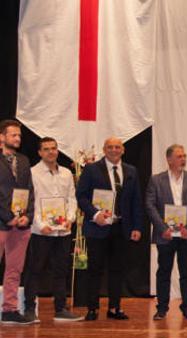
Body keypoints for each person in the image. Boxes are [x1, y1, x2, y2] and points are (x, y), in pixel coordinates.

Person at [75, 136, 143, 321]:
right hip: (98, 227)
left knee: (117, 269)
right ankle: (92, 308)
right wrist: (95, 215)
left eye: (118, 147)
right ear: (104, 150)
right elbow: (81, 197)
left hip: (121, 227)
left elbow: (136, 201)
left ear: (123, 150)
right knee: (95, 269)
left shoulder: (131, 171)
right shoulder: (91, 169)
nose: (114, 150)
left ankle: (114, 307)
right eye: (110, 147)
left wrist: (137, 226)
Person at [24, 136, 82, 322]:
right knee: (35, 270)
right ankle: (30, 309)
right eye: (46, 149)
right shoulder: (32, 173)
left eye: (54, 148)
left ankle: (60, 309)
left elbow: (72, 199)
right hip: (41, 231)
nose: (51, 152)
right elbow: (30, 202)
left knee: (61, 270)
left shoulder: (65, 173)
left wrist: (70, 219)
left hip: (63, 231)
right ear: (40, 152)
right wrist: (41, 224)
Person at [144, 144, 187, 321]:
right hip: (166, 235)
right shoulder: (156, 180)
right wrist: (163, 229)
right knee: (164, 271)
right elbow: (150, 205)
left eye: (184, 156)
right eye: (179, 156)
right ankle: (162, 308)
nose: (183, 159)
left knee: (186, 272)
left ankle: (186, 307)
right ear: (169, 159)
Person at [0, 120, 35, 324]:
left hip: (21, 225)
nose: (18, 138)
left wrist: (27, 216)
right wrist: (7, 216)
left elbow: (30, 191)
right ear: (2, 137)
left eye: (19, 135)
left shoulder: (23, 160)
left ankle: (10, 309)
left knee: (14, 269)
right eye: (13, 135)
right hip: (2, 222)